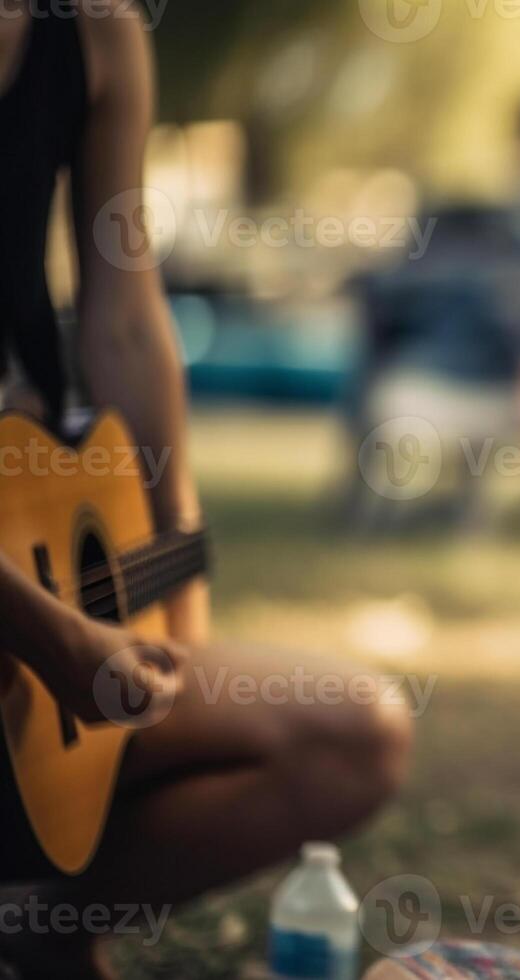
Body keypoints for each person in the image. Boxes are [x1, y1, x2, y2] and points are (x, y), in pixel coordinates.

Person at [0, 4, 411, 976]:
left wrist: (171, 566)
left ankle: (38, 930)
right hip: (40, 622)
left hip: (39, 548)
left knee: (352, 732)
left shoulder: (95, 31)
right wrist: (54, 639)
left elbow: (128, 314)